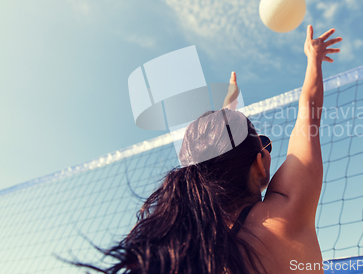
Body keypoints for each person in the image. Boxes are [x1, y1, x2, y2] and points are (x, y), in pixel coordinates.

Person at [70, 25, 341, 274]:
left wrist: (229, 108)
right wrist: (313, 59)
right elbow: (308, 113)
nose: (268, 150)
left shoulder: (191, 250)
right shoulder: (286, 213)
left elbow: (215, 156)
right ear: (259, 164)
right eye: (264, 145)